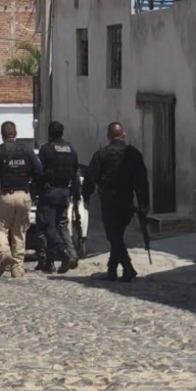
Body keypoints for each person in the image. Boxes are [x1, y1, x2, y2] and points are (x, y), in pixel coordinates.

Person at [82, 122, 149, 282]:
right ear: (123, 135)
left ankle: (128, 267)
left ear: (108, 136)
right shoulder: (134, 153)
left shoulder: (102, 154)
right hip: (127, 199)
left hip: (110, 200)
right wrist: (144, 201)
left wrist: (86, 197)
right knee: (116, 235)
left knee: (113, 236)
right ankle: (112, 271)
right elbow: (142, 179)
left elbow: (90, 178)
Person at [0, 121, 43, 278]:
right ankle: (17, 268)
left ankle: (4, 254)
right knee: (19, 232)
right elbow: (39, 171)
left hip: (4, 196)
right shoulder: (26, 151)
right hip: (24, 195)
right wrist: (33, 193)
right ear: (16, 134)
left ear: (1, 135)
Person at [36, 121, 80, 274]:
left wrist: (36, 191)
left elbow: (38, 172)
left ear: (49, 133)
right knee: (61, 225)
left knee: (48, 227)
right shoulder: (71, 149)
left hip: (49, 193)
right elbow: (75, 174)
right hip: (64, 193)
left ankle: (64, 254)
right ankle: (54, 260)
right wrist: (76, 196)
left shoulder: (46, 149)